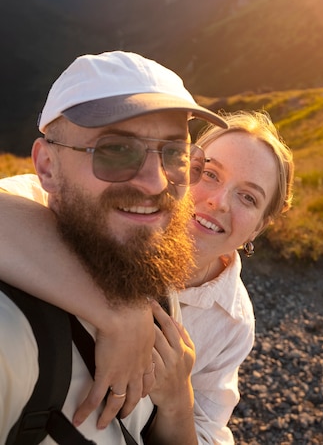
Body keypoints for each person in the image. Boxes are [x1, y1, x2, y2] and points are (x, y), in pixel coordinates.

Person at [1, 110, 294, 444]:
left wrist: (177, 400)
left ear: (257, 228)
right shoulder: (107, 210)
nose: (219, 202)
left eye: (248, 197)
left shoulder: (231, 323)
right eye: (210, 174)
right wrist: (124, 310)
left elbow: (205, 435)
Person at [0, 49, 228, 445]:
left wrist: (177, 400)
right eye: (116, 150)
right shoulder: (10, 335)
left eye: (174, 153)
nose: (156, 183)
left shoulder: (148, 268)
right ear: (47, 167)